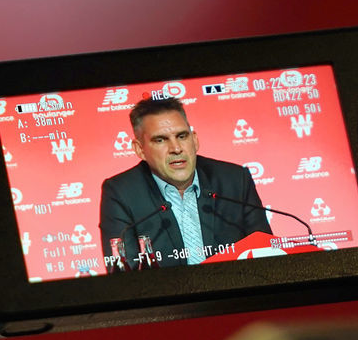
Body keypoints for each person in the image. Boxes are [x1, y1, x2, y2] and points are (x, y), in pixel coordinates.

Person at [100, 98, 271, 270]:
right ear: (140, 149)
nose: (176, 148)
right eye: (160, 140)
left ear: (194, 140)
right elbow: (125, 272)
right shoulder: (120, 192)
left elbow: (265, 254)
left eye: (182, 136)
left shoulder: (234, 180)